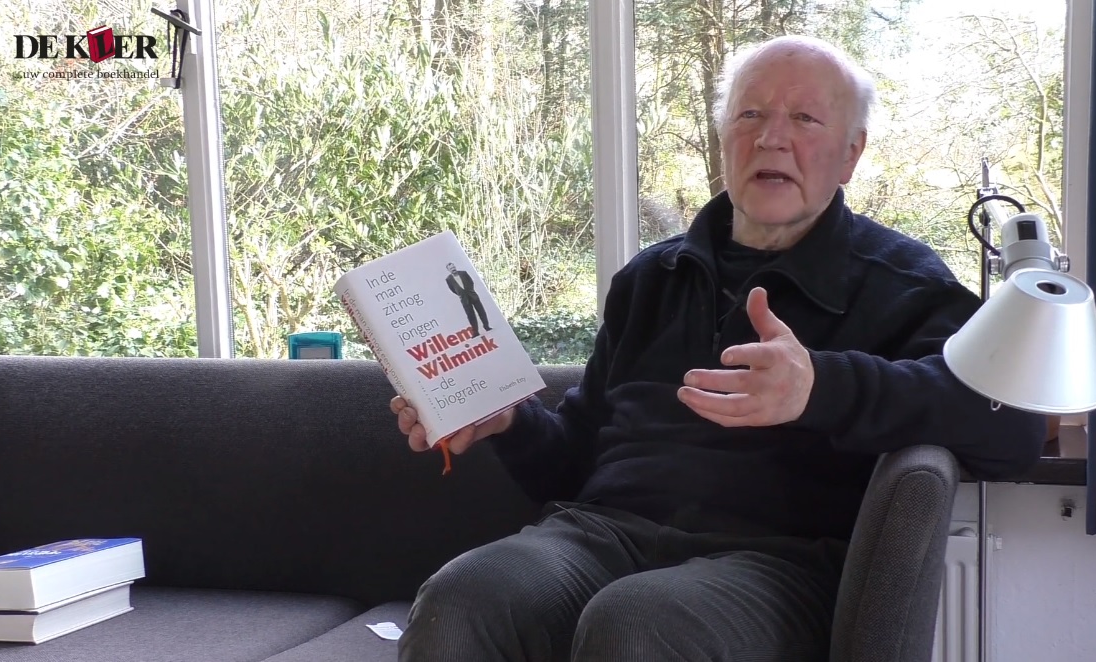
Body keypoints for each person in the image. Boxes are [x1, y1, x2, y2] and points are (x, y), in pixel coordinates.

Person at [390, 34, 1047, 661]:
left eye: (804, 119)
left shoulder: (902, 284)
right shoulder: (649, 278)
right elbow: (574, 465)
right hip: (602, 536)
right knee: (463, 600)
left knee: (639, 623)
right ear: (724, 137)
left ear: (851, 153)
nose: (771, 137)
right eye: (750, 114)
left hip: (778, 564)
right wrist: (507, 418)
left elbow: (1013, 426)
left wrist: (820, 387)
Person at [445, 261, 492, 336]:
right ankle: (475, 332)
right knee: (470, 316)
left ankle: (486, 326)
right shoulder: (448, 279)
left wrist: (470, 290)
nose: (453, 269)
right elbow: (452, 289)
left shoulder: (463, 273)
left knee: (481, 312)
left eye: (453, 267)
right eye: (451, 268)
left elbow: (471, 282)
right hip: (464, 299)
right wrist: (461, 293)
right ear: (448, 270)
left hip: (473, 295)